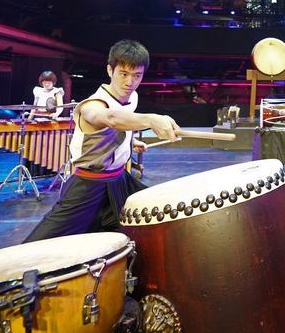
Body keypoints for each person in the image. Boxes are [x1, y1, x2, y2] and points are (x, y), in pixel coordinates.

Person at [24, 40, 178, 242]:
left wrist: (129, 143)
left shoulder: (133, 97)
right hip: (88, 184)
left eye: (137, 76)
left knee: (160, 219)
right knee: (39, 247)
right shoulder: (93, 104)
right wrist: (151, 119)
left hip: (119, 179)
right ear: (110, 70)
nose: (129, 82)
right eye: (123, 74)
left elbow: (119, 125)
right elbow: (111, 118)